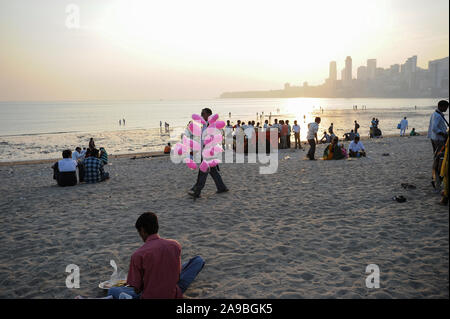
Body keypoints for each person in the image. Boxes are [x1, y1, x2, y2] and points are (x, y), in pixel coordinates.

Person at [107, 212, 205, 299]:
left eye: (139, 232)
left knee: (112, 291)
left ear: (142, 230)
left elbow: (137, 289)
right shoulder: (175, 245)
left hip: (150, 296)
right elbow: (177, 276)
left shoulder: (138, 255)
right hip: (174, 293)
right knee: (198, 260)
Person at [188, 108, 228, 199]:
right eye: (201, 113)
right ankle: (222, 187)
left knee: (203, 172)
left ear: (209, 115)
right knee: (213, 172)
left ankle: (197, 191)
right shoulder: (205, 125)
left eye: (203, 113)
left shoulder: (212, 125)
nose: (201, 115)